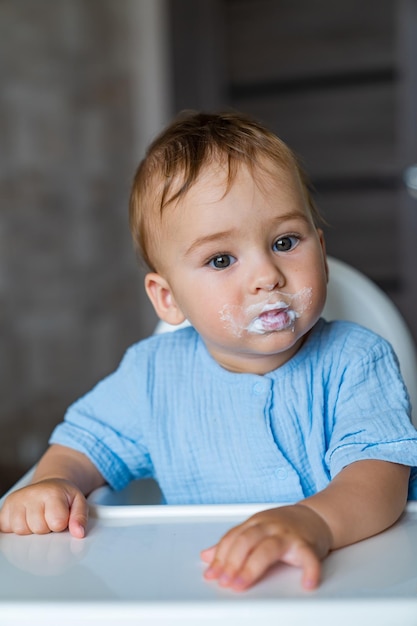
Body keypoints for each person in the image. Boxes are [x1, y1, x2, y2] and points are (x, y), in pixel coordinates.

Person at [1, 111, 417, 593]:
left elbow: (379, 481)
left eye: (285, 242)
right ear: (168, 298)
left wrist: (315, 523)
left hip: (342, 584)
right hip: (207, 586)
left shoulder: (357, 359)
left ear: (320, 251)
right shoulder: (152, 375)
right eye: (221, 259)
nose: (267, 275)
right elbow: (85, 445)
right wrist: (52, 483)